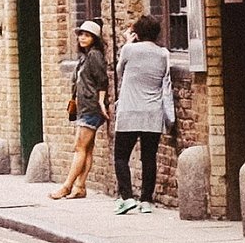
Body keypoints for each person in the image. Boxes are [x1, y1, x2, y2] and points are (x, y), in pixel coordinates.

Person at [112, 14, 174, 213]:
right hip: (152, 113)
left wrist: (128, 43)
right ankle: (146, 200)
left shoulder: (129, 50)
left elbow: (120, 71)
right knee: (149, 158)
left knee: (121, 156)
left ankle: (127, 198)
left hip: (129, 110)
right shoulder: (164, 53)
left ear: (137, 33)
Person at [51, 21, 109, 199]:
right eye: (81, 34)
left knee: (79, 148)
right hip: (85, 107)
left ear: (95, 39)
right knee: (87, 149)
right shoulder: (85, 57)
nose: (82, 37)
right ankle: (80, 187)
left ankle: (67, 186)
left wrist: (101, 101)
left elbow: (102, 80)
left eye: (87, 35)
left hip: (91, 108)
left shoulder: (94, 56)